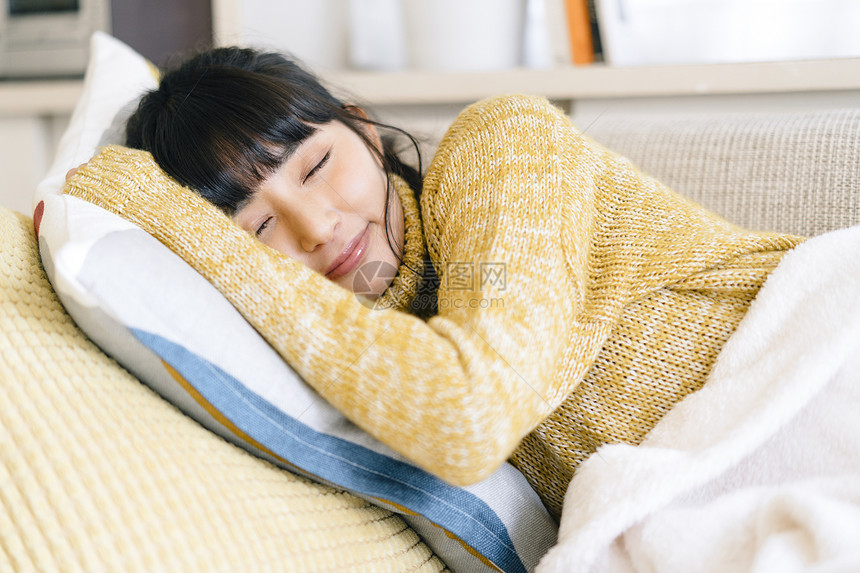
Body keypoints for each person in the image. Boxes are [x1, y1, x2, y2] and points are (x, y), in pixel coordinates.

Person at [64, 46, 804, 519]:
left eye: (318, 165)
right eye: (257, 230)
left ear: (364, 128)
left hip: (813, 366)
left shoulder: (499, 147)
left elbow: (466, 413)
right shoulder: (356, 346)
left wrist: (181, 218)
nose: (317, 227)